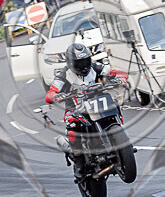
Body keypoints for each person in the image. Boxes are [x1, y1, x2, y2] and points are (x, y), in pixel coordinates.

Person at [44, 43, 128, 179]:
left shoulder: (95, 67)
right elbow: (51, 92)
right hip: (75, 109)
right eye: (79, 63)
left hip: (97, 102)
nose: (83, 66)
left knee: (114, 105)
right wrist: (56, 95)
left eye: (85, 61)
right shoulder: (63, 74)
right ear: (70, 63)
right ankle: (79, 163)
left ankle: (121, 139)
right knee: (72, 127)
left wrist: (121, 77)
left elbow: (114, 71)